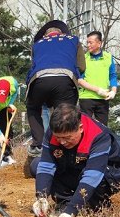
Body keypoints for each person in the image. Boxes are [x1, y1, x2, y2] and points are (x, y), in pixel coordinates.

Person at [31, 103, 120, 217]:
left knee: (92, 175)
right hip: (76, 167)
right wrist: (41, 196)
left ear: (80, 128)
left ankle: (98, 206)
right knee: (36, 165)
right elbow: (46, 165)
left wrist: (70, 213)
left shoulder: (98, 135)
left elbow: (92, 176)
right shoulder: (53, 131)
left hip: (108, 175)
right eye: (58, 137)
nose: (62, 142)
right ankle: (65, 202)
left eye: (67, 138)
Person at [24, 20, 86, 155]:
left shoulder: (37, 44)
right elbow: (81, 66)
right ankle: (63, 146)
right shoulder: (73, 40)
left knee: (33, 108)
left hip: (39, 80)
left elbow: (34, 65)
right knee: (64, 114)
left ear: (46, 35)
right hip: (64, 80)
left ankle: (38, 144)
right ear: (62, 33)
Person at [77, 30, 118, 125]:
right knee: (85, 126)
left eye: (90, 42)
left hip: (103, 98)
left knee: (103, 128)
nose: (88, 45)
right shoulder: (83, 58)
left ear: (99, 43)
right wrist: (97, 90)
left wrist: (113, 91)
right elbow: (80, 80)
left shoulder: (108, 57)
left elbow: (112, 76)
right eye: (87, 42)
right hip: (86, 98)